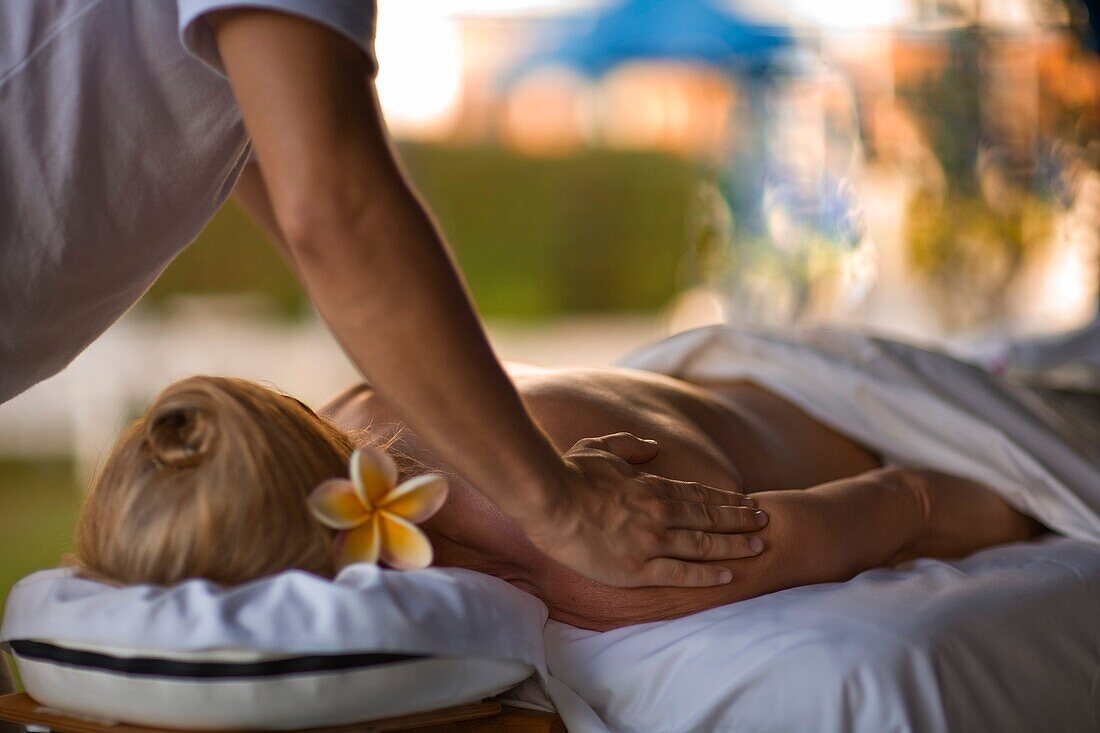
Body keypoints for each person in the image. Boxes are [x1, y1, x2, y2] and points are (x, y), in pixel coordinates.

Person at [70, 365, 1040, 631]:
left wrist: (1040, 499)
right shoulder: (343, 425)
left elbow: (911, 498)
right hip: (714, 372)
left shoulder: (600, 556)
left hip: (871, 402)